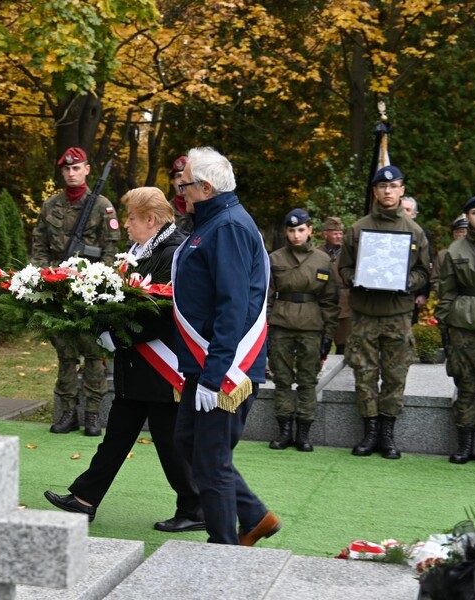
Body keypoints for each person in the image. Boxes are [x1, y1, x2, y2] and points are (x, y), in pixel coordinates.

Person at [44, 187, 205, 531]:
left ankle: (196, 509)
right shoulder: (139, 250)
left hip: (161, 367)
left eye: (131, 218)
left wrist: (116, 336)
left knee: (170, 444)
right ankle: (85, 499)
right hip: (137, 365)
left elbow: (163, 312)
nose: (126, 224)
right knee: (116, 437)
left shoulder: (173, 253)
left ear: (151, 219)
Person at [172, 146, 280, 546]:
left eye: (184, 185)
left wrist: (214, 375)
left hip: (223, 366)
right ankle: (253, 516)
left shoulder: (228, 227)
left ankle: (223, 550)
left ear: (205, 188)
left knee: (212, 460)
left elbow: (232, 305)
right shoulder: (213, 222)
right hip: (202, 361)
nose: (180, 191)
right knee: (188, 442)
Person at [338, 166, 431, 459]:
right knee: (364, 372)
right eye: (382, 187)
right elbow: (343, 268)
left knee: (395, 374)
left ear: (402, 190)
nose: (388, 191)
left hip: (397, 314)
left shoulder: (415, 232)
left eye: (393, 186)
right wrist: (357, 277)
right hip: (365, 313)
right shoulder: (357, 229)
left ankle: (387, 433)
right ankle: (370, 432)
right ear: (375, 191)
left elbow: (423, 272)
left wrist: (405, 281)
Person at [31, 147, 122, 436]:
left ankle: (93, 413)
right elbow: (39, 246)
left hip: (90, 290)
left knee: (93, 354)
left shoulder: (102, 206)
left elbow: (111, 250)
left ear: (86, 170)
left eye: (76, 168)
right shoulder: (50, 206)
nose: (71, 173)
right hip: (58, 289)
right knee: (66, 353)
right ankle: (68, 412)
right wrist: (47, 277)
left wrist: (97, 281)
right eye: (67, 169)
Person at [267, 208, 339, 452]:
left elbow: (330, 301)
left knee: (308, 380)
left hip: (311, 327)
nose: (296, 235)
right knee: (282, 379)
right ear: (286, 232)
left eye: (300, 230)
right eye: (291, 230)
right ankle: (284, 431)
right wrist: (265, 329)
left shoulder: (323, 260)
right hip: (281, 325)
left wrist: (328, 335)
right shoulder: (275, 259)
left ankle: (303, 433)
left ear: (310, 230)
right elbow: (266, 297)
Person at [435, 194, 475, 466]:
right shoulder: (455, 250)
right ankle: (465, 444)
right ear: (467, 217)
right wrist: (443, 323)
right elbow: (446, 290)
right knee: (465, 384)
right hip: (462, 324)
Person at [401, 196, 435, 323]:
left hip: (412, 289)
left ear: (414, 214)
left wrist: (423, 293)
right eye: (401, 209)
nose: (404, 212)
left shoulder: (422, 233)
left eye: (408, 209)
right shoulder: (387, 229)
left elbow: (427, 264)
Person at [319, 216, 350, 355]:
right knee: (321, 339)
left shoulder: (348, 252)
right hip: (323, 300)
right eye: (335, 233)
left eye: (340, 233)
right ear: (326, 234)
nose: (339, 236)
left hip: (345, 303)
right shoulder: (317, 253)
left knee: (344, 342)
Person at [431, 214, 469, 297]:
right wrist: (445, 294)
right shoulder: (443, 255)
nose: (465, 234)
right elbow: (435, 280)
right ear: (455, 234)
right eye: (462, 231)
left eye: (469, 231)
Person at [169, 155, 195, 234]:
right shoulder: (164, 210)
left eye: (186, 175)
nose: (182, 180)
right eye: (178, 176)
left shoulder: (201, 208)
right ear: (173, 182)